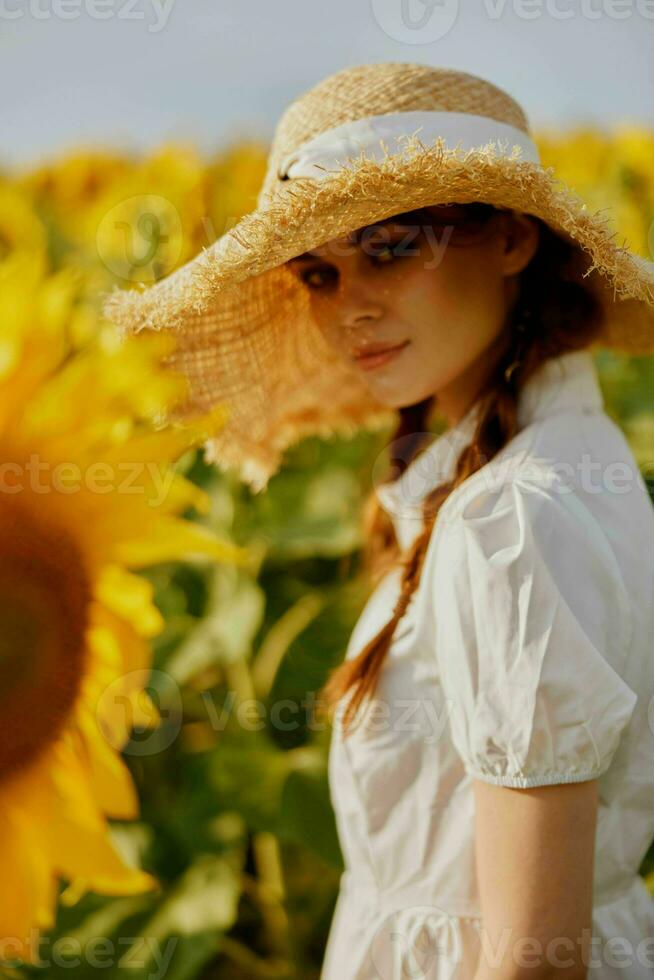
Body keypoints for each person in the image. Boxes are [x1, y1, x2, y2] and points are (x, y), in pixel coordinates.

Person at [104, 63, 654, 980]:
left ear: (513, 238)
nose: (349, 304)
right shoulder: (558, 468)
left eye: (392, 247)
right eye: (318, 271)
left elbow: (534, 961)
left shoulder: (511, 520)